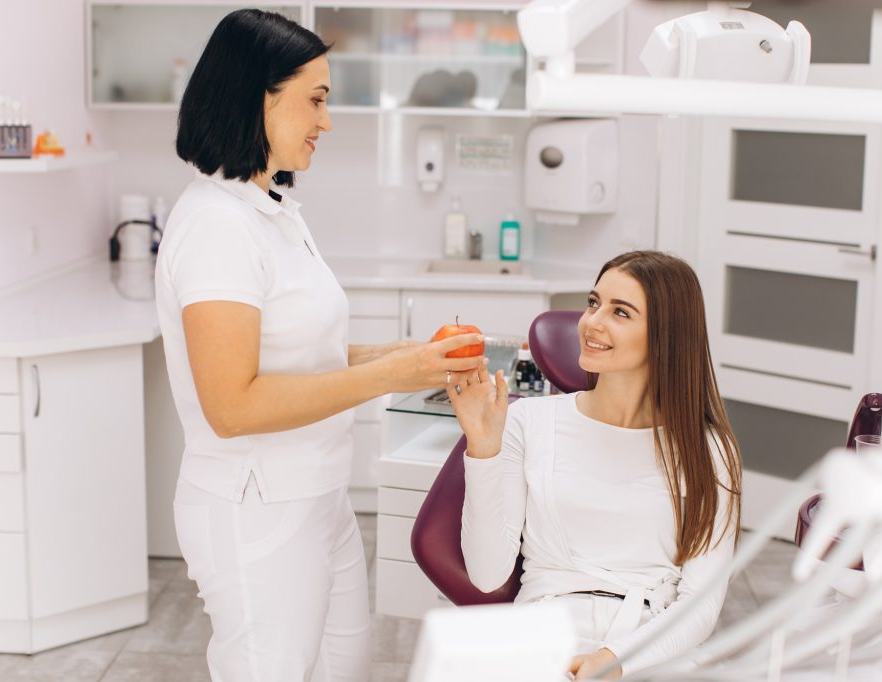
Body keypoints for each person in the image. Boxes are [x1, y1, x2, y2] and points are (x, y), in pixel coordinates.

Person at [154, 9, 485, 681]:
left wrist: (397, 356)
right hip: (257, 513)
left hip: (317, 497)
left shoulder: (269, 209)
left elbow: (296, 355)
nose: (325, 121)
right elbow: (234, 405)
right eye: (316, 100)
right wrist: (396, 374)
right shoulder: (218, 227)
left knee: (345, 668)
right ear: (257, 97)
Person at [449, 250, 742, 679]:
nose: (592, 322)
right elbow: (486, 572)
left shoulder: (708, 450)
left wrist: (614, 660)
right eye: (593, 302)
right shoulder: (529, 422)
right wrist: (483, 449)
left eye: (620, 312)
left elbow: (700, 604)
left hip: (650, 645)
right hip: (543, 636)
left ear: (666, 335)